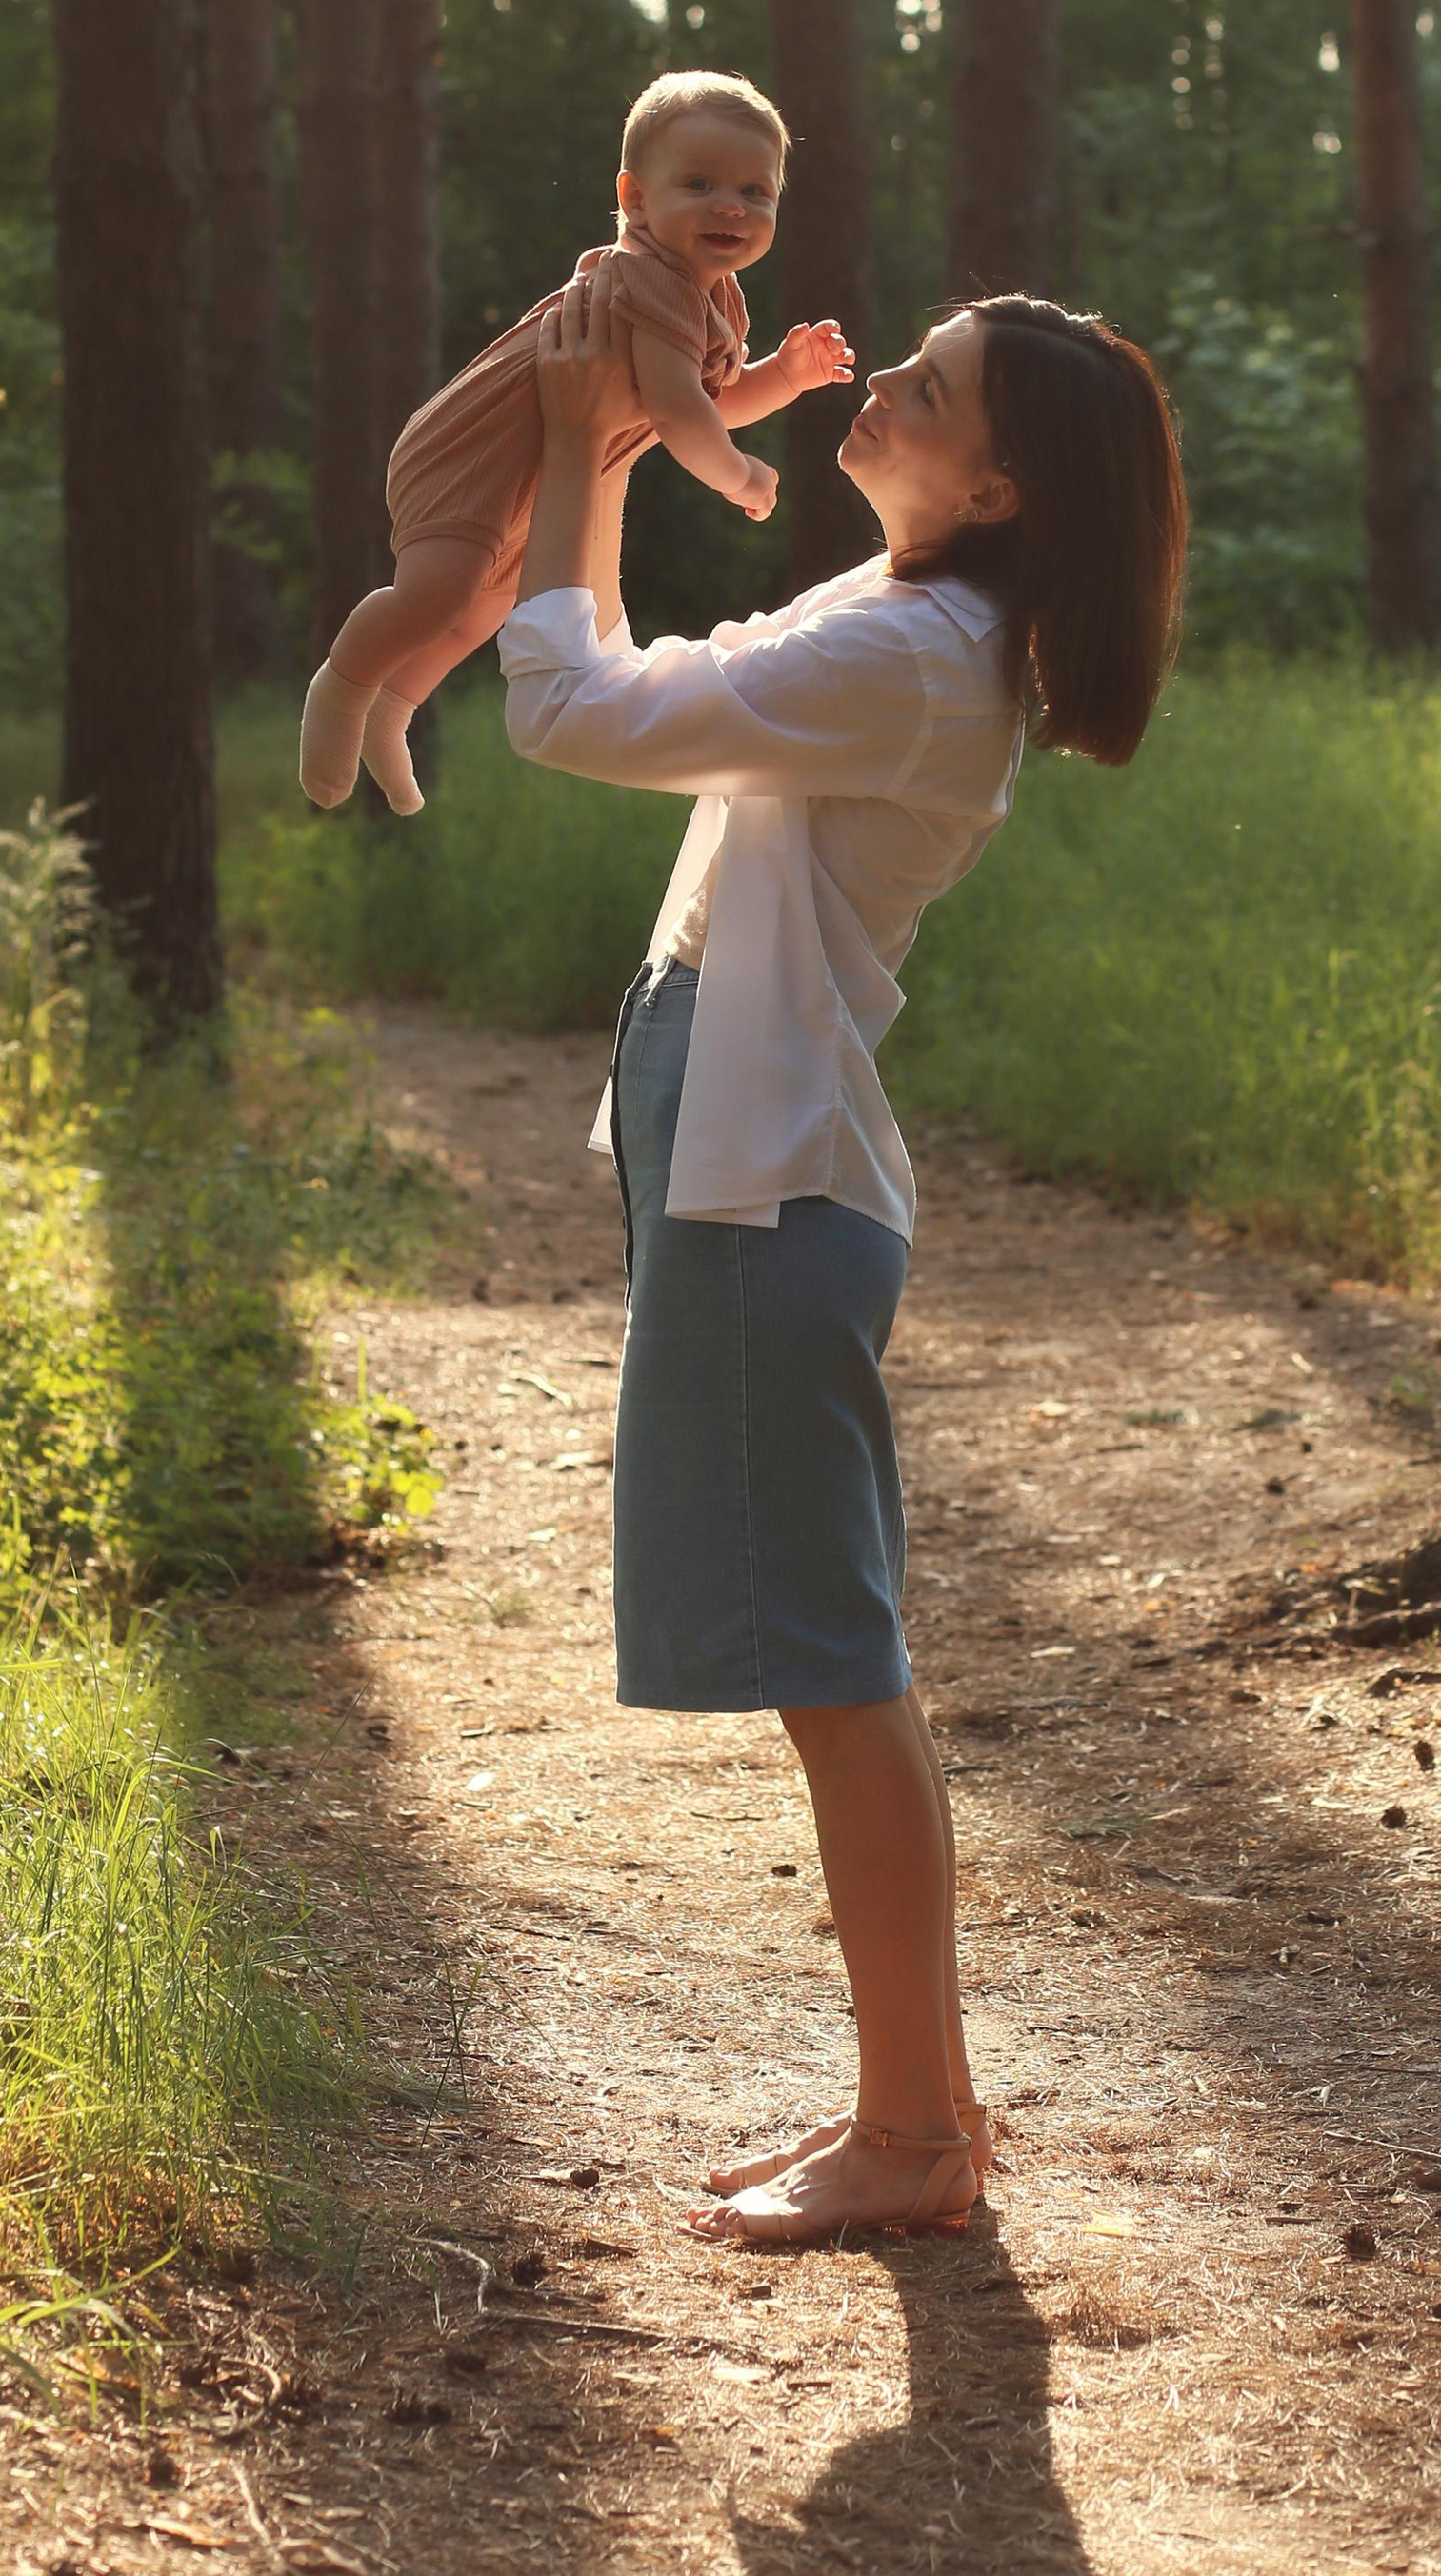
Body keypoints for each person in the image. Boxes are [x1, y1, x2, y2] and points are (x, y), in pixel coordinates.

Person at [496, 260, 1188, 2248]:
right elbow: (637, 674)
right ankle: (925, 2114)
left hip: (769, 1194)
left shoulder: (907, 659)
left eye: (927, 384)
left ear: (991, 488)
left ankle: (909, 2142)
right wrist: (606, 450)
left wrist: (568, 454)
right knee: (829, 1659)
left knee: (831, 1667)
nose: (874, 380)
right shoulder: (885, 617)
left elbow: (562, 706)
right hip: (755, 1175)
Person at [298, 71, 853, 816]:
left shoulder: (709, 292)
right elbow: (683, 415)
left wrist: (784, 377)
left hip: (537, 473)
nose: (731, 205)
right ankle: (340, 688)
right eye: (699, 183)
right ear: (634, 199)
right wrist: (741, 478)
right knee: (438, 593)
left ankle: (392, 711)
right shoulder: (647, 274)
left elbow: (710, 398)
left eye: (756, 192)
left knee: (481, 609)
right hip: (474, 453)